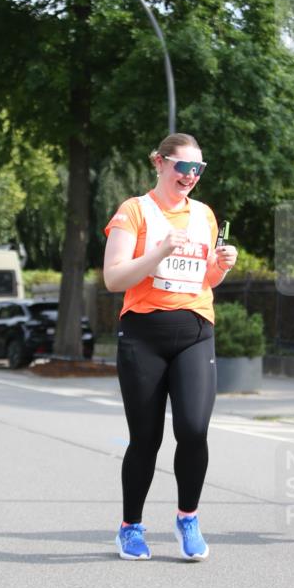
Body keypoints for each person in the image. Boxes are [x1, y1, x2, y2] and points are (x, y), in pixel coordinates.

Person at [104, 133, 237, 561]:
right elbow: (114, 279)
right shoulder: (134, 212)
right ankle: (130, 527)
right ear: (159, 163)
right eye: (184, 167)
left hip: (195, 331)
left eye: (199, 169)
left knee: (194, 430)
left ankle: (187, 519)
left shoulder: (204, 215)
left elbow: (204, 280)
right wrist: (158, 253)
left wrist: (219, 268)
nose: (191, 177)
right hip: (143, 335)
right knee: (146, 439)